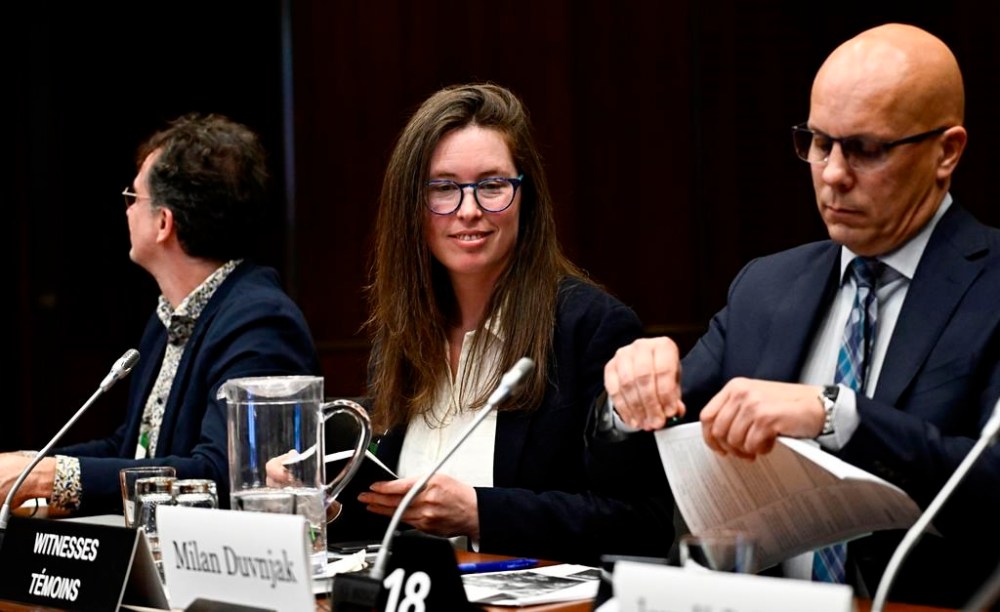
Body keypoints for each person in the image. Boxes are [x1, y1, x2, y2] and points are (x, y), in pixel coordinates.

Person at [598, 23, 999, 608]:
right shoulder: (767, 287)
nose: (833, 173)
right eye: (818, 142)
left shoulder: (991, 286)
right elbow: (628, 476)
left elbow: (991, 485)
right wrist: (629, 399)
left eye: (866, 149)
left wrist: (836, 414)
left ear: (947, 152)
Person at [328, 83, 674, 565]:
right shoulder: (403, 335)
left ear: (525, 197)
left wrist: (480, 513)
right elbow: (393, 522)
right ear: (411, 206)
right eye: (443, 188)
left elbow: (643, 524)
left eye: (492, 186)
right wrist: (320, 497)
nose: (469, 210)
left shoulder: (592, 328)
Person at [0, 113, 321, 516]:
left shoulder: (261, 323)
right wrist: (28, 466)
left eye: (133, 197)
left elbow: (220, 475)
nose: (127, 211)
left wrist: (47, 478)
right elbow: (132, 449)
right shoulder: (168, 316)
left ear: (164, 222)